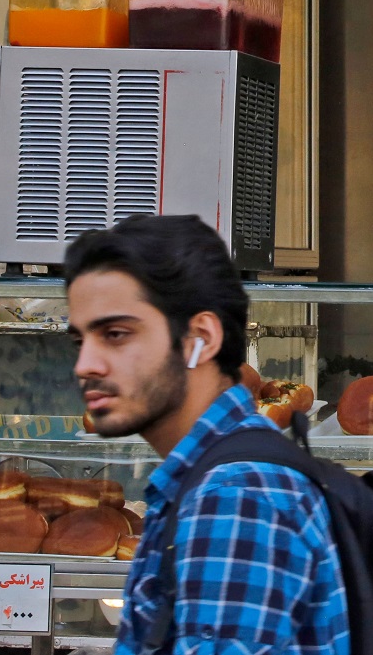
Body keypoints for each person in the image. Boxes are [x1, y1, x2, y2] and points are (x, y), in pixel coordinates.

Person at [66, 214, 349, 655]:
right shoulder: (212, 477)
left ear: (200, 338)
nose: (86, 364)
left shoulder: (234, 498)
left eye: (116, 334)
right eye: (79, 340)